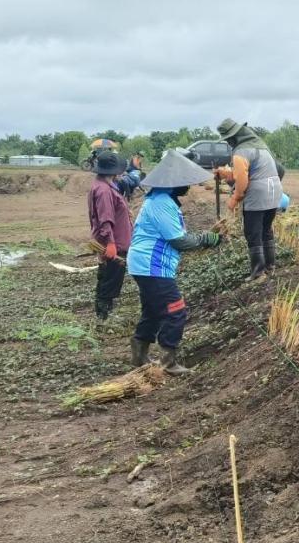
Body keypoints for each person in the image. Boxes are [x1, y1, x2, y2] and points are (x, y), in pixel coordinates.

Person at [126, 149, 224, 374]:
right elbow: (179, 240)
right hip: (152, 265)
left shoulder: (162, 199)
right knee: (176, 310)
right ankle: (168, 362)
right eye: (185, 182)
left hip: (146, 264)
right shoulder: (161, 203)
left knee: (153, 310)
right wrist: (206, 239)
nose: (188, 187)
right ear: (173, 182)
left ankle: (139, 356)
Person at [214, 118, 285, 280]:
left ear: (234, 137)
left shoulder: (240, 152)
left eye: (228, 139)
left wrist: (234, 199)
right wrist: (226, 174)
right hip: (274, 191)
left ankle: (258, 272)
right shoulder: (260, 145)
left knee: (253, 232)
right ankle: (270, 266)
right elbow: (250, 171)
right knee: (266, 229)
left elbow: (242, 181)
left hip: (258, 194)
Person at [87, 149, 133, 327]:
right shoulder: (104, 190)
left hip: (110, 240)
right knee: (111, 278)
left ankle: (103, 312)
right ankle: (103, 316)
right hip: (113, 242)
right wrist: (111, 243)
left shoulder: (101, 185)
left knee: (107, 275)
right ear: (113, 170)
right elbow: (105, 220)